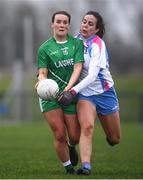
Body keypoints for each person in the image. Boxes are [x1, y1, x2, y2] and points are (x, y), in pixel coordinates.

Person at [59, 11, 121, 175]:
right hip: (86, 94)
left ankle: (109, 134)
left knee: (115, 139)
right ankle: (86, 166)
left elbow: (93, 75)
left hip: (105, 93)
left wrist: (72, 92)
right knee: (87, 127)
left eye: (90, 24)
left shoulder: (98, 45)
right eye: (84, 22)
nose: (85, 25)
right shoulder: (75, 41)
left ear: (97, 29)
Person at [35, 11, 84, 174]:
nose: (62, 25)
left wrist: (69, 89)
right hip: (50, 96)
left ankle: (71, 147)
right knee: (59, 134)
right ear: (52, 24)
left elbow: (78, 67)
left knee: (75, 136)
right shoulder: (44, 48)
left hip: (69, 94)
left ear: (69, 25)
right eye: (58, 22)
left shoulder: (77, 44)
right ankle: (69, 168)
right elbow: (42, 72)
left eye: (65, 22)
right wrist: (41, 82)